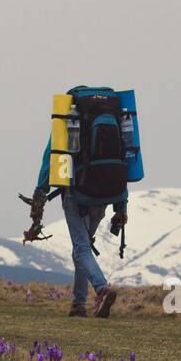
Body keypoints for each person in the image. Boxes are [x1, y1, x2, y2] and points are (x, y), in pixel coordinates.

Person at [26, 88, 128, 318]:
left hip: (77, 193)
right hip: (106, 193)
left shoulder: (67, 121)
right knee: (82, 248)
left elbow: (50, 161)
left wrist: (39, 198)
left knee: (81, 248)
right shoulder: (114, 121)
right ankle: (78, 304)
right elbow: (124, 159)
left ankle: (101, 290)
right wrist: (122, 207)